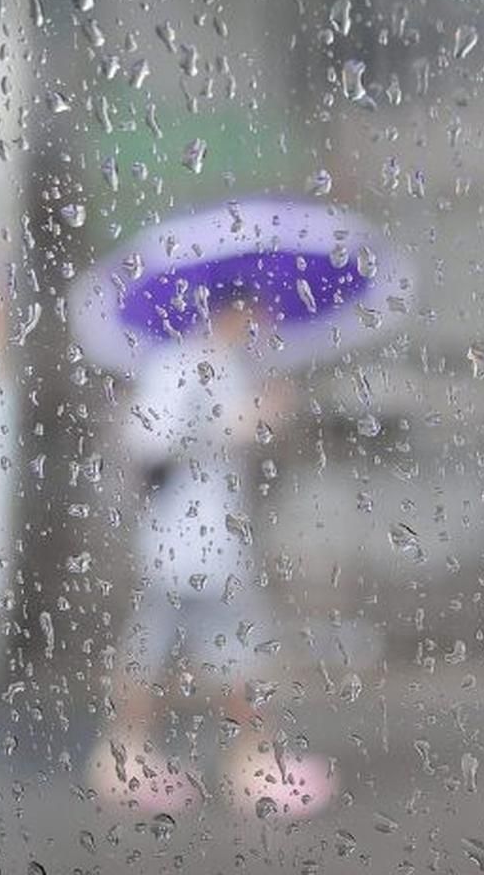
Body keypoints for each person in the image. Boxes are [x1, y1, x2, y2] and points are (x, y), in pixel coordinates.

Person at [87, 301, 334, 816]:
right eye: (249, 310)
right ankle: (249, 764)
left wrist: (260, 414)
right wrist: (243, 419)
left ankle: (131, 756)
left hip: (210, 539)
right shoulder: (177, 366)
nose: (259, 322)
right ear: (222, 309)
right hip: (186, 541)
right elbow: (148, 439)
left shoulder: (229, 366)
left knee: (163, 648)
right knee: (234, 650)